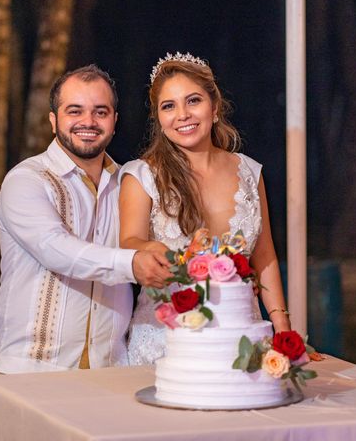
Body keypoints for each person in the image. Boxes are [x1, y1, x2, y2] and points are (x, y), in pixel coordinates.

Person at [0, 65, 171, 374]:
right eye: (75, 111)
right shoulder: (26, 180)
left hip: (111, 371)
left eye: (100, 112)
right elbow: (55, 249)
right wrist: (132, 264)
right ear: (53, 120)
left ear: (114, 122)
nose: (88, 121)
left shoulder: (130, 184)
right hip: (33, 371)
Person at [119, 52, 291, 365]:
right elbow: (128, 242)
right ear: (159, 119)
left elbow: (264, 256)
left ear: (214, 108)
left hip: (242, 339)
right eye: (169, 106)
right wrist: (162, 252)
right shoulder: (141, 175)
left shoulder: (250, 172)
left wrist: (283, 332)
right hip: (166, 341)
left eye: (193, 100)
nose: (182, 114)